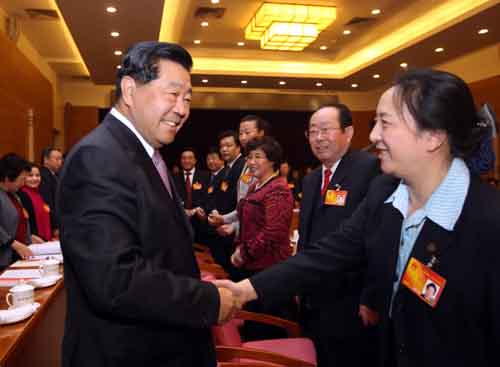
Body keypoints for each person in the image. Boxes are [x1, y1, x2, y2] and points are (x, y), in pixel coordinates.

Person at [218, 69, 500, 367]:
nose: (374, 136)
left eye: (385, 123)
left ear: (433, 136)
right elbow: (330, 252)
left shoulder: (488, 224)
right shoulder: (385, 193)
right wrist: (245, 290)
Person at [57, 41, 238, 367]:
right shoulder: (98, 157)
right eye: (172, 94)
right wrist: (207, 300)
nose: (182, 109)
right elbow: (115, 280)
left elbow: (158, 243)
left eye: (187, 98)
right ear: (130, 90)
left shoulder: (141, 154)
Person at [298, 104, 380, 367]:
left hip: (350, 299)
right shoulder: (312, 179)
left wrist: (371, 295)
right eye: (312, 132)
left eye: (325, 130)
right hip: (314, 295)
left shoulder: (370, 170)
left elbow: (378, 238)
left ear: (349, 132)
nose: (318, 138)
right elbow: (306, 237)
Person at [230, 137, 294, 339]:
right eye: (249, 157)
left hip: (270, 269)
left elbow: (273, 232)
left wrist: (244, 251)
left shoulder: (278, 189)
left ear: (273, 161)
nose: (251, 162)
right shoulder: (255, 186)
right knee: (253, 324)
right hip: (253, 267)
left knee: (266, 328)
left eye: (258, 157)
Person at [0, 153, 36, 267]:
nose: (23, 183)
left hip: (18, 256)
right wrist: (13, 243)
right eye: (21, 179)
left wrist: (30, 237)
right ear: (7, 178)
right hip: (4, 258)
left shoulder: (14, 195)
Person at [174, 147, 209, 243]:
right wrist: (182, 210)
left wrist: (196, 210)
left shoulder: (205, 176)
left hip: (200, 222)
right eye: (184, 158)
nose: (186, 161)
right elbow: (172, 198)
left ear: (195, 160)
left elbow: (208, 197)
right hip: (181, 222)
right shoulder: (174, 177)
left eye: (190, 158)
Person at [18, 163, 53, 241]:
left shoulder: (41, 194)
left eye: (37, 175)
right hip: (33, 240)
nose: (35, 178)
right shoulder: (21, 195)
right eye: (30, 175)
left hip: (46, 240)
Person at [39, 146, 62, 238]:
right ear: (46, 160)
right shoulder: (44, 176)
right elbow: (47, 202)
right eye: (57, 159)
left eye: (61, 159)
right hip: (52, 224)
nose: (60, 162)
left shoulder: (55, 175)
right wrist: (55, 226)